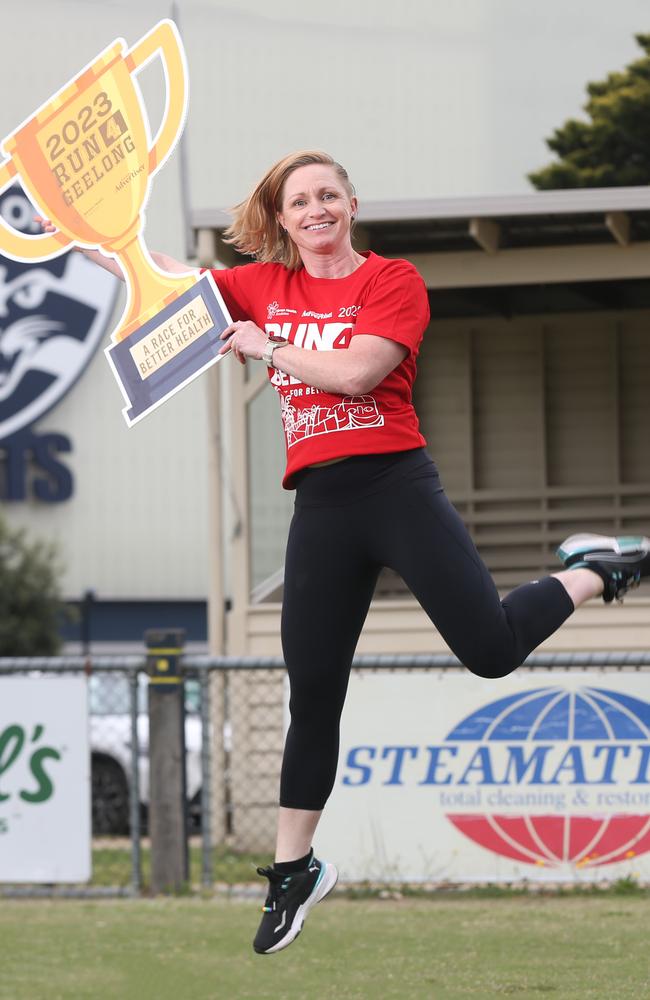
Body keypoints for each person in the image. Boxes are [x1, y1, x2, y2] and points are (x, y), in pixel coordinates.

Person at [38, 149, 650, 954]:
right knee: (313, 693)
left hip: (397, 487)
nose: (316, 208)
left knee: (492, 651)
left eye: (329, 194)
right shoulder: (259, 286)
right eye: (300, 201)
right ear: (282, 220)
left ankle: (594, 571)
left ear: (351, 204)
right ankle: (294, 870)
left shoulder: (392, 281)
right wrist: (82, 237)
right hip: (321, 505)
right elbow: (164, 281)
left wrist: (267, 348)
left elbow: (360, 373)